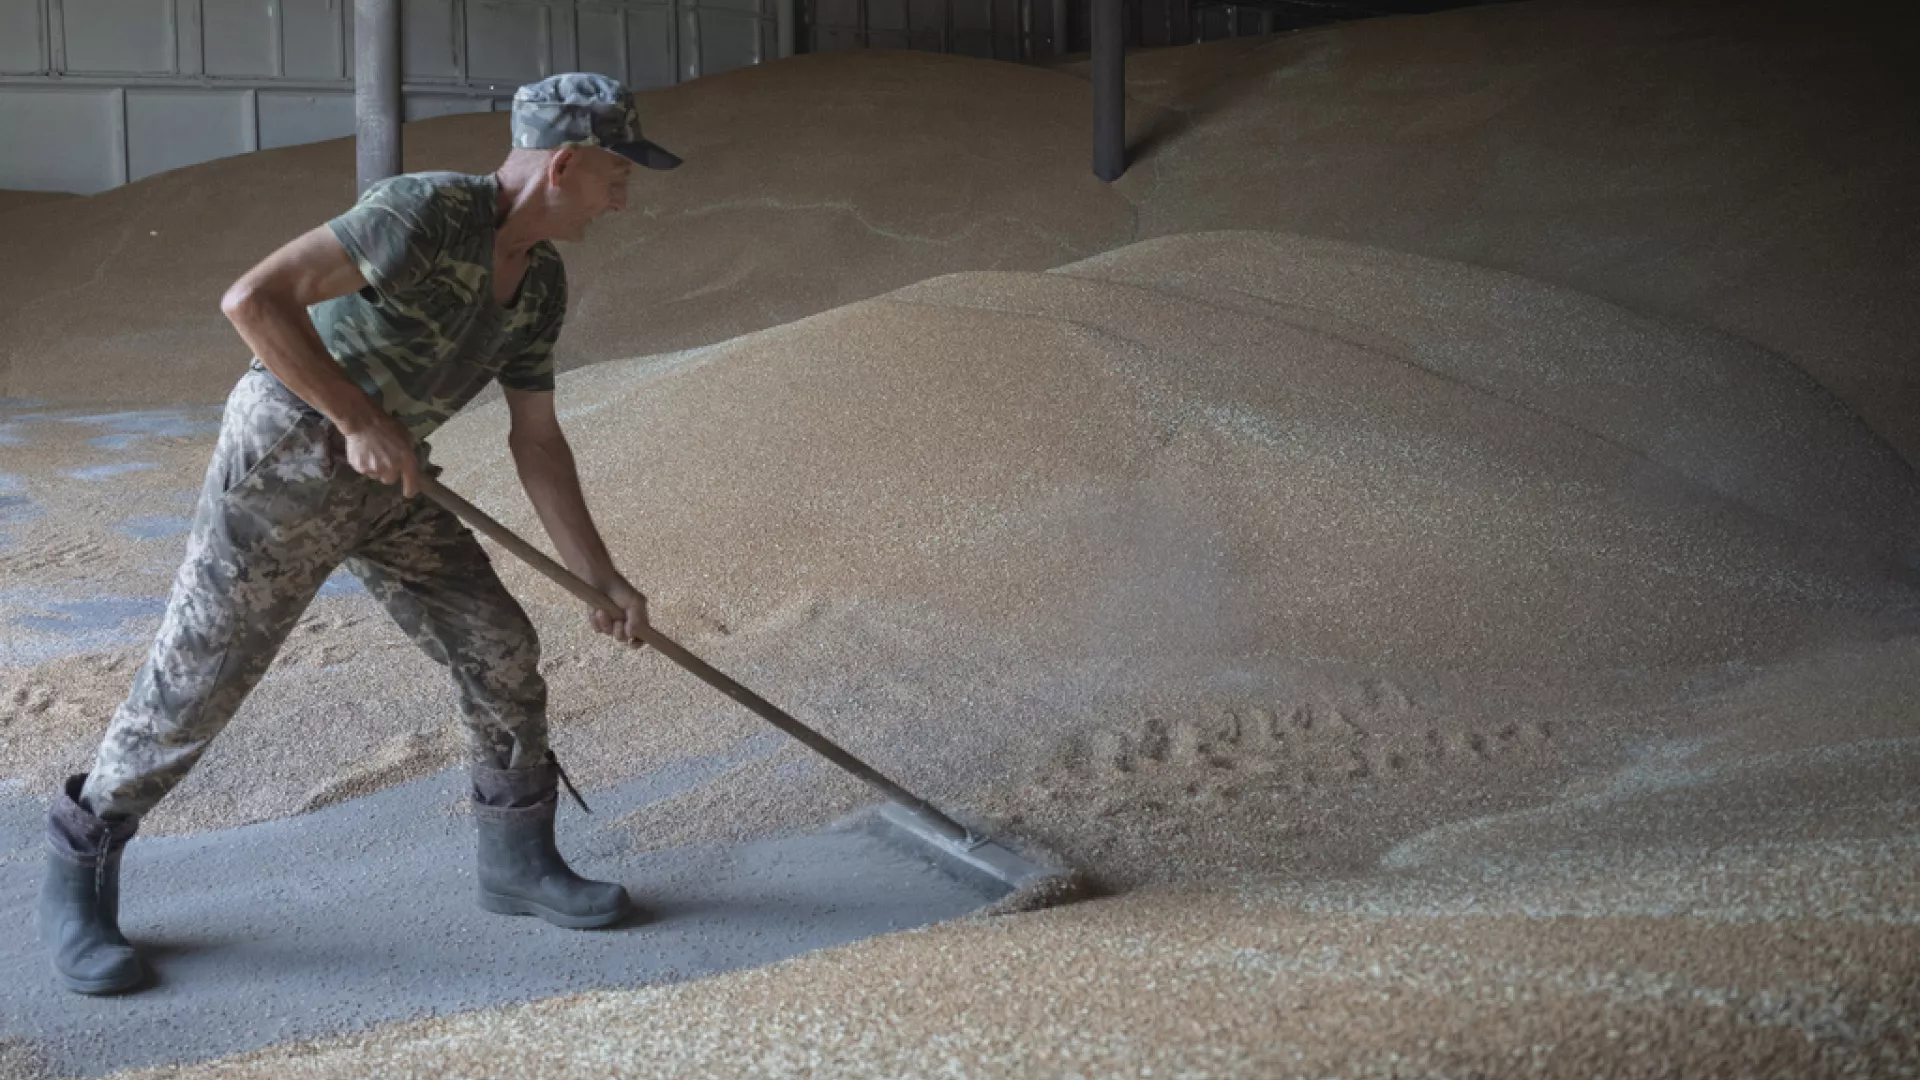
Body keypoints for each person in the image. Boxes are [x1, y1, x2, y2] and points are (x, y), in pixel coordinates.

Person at [39, 73, 681, 995]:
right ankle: (76, 877)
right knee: (195, 685)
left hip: (392, 481)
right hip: (287, 462)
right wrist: (354, 417)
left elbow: (536, 438)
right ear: (566, 163)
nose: (624, 197)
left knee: (499, 646)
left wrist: (601, 578)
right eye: (618, 175)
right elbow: (255, 300)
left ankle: (517, 863)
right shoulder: (425, 211)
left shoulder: (538, 284)